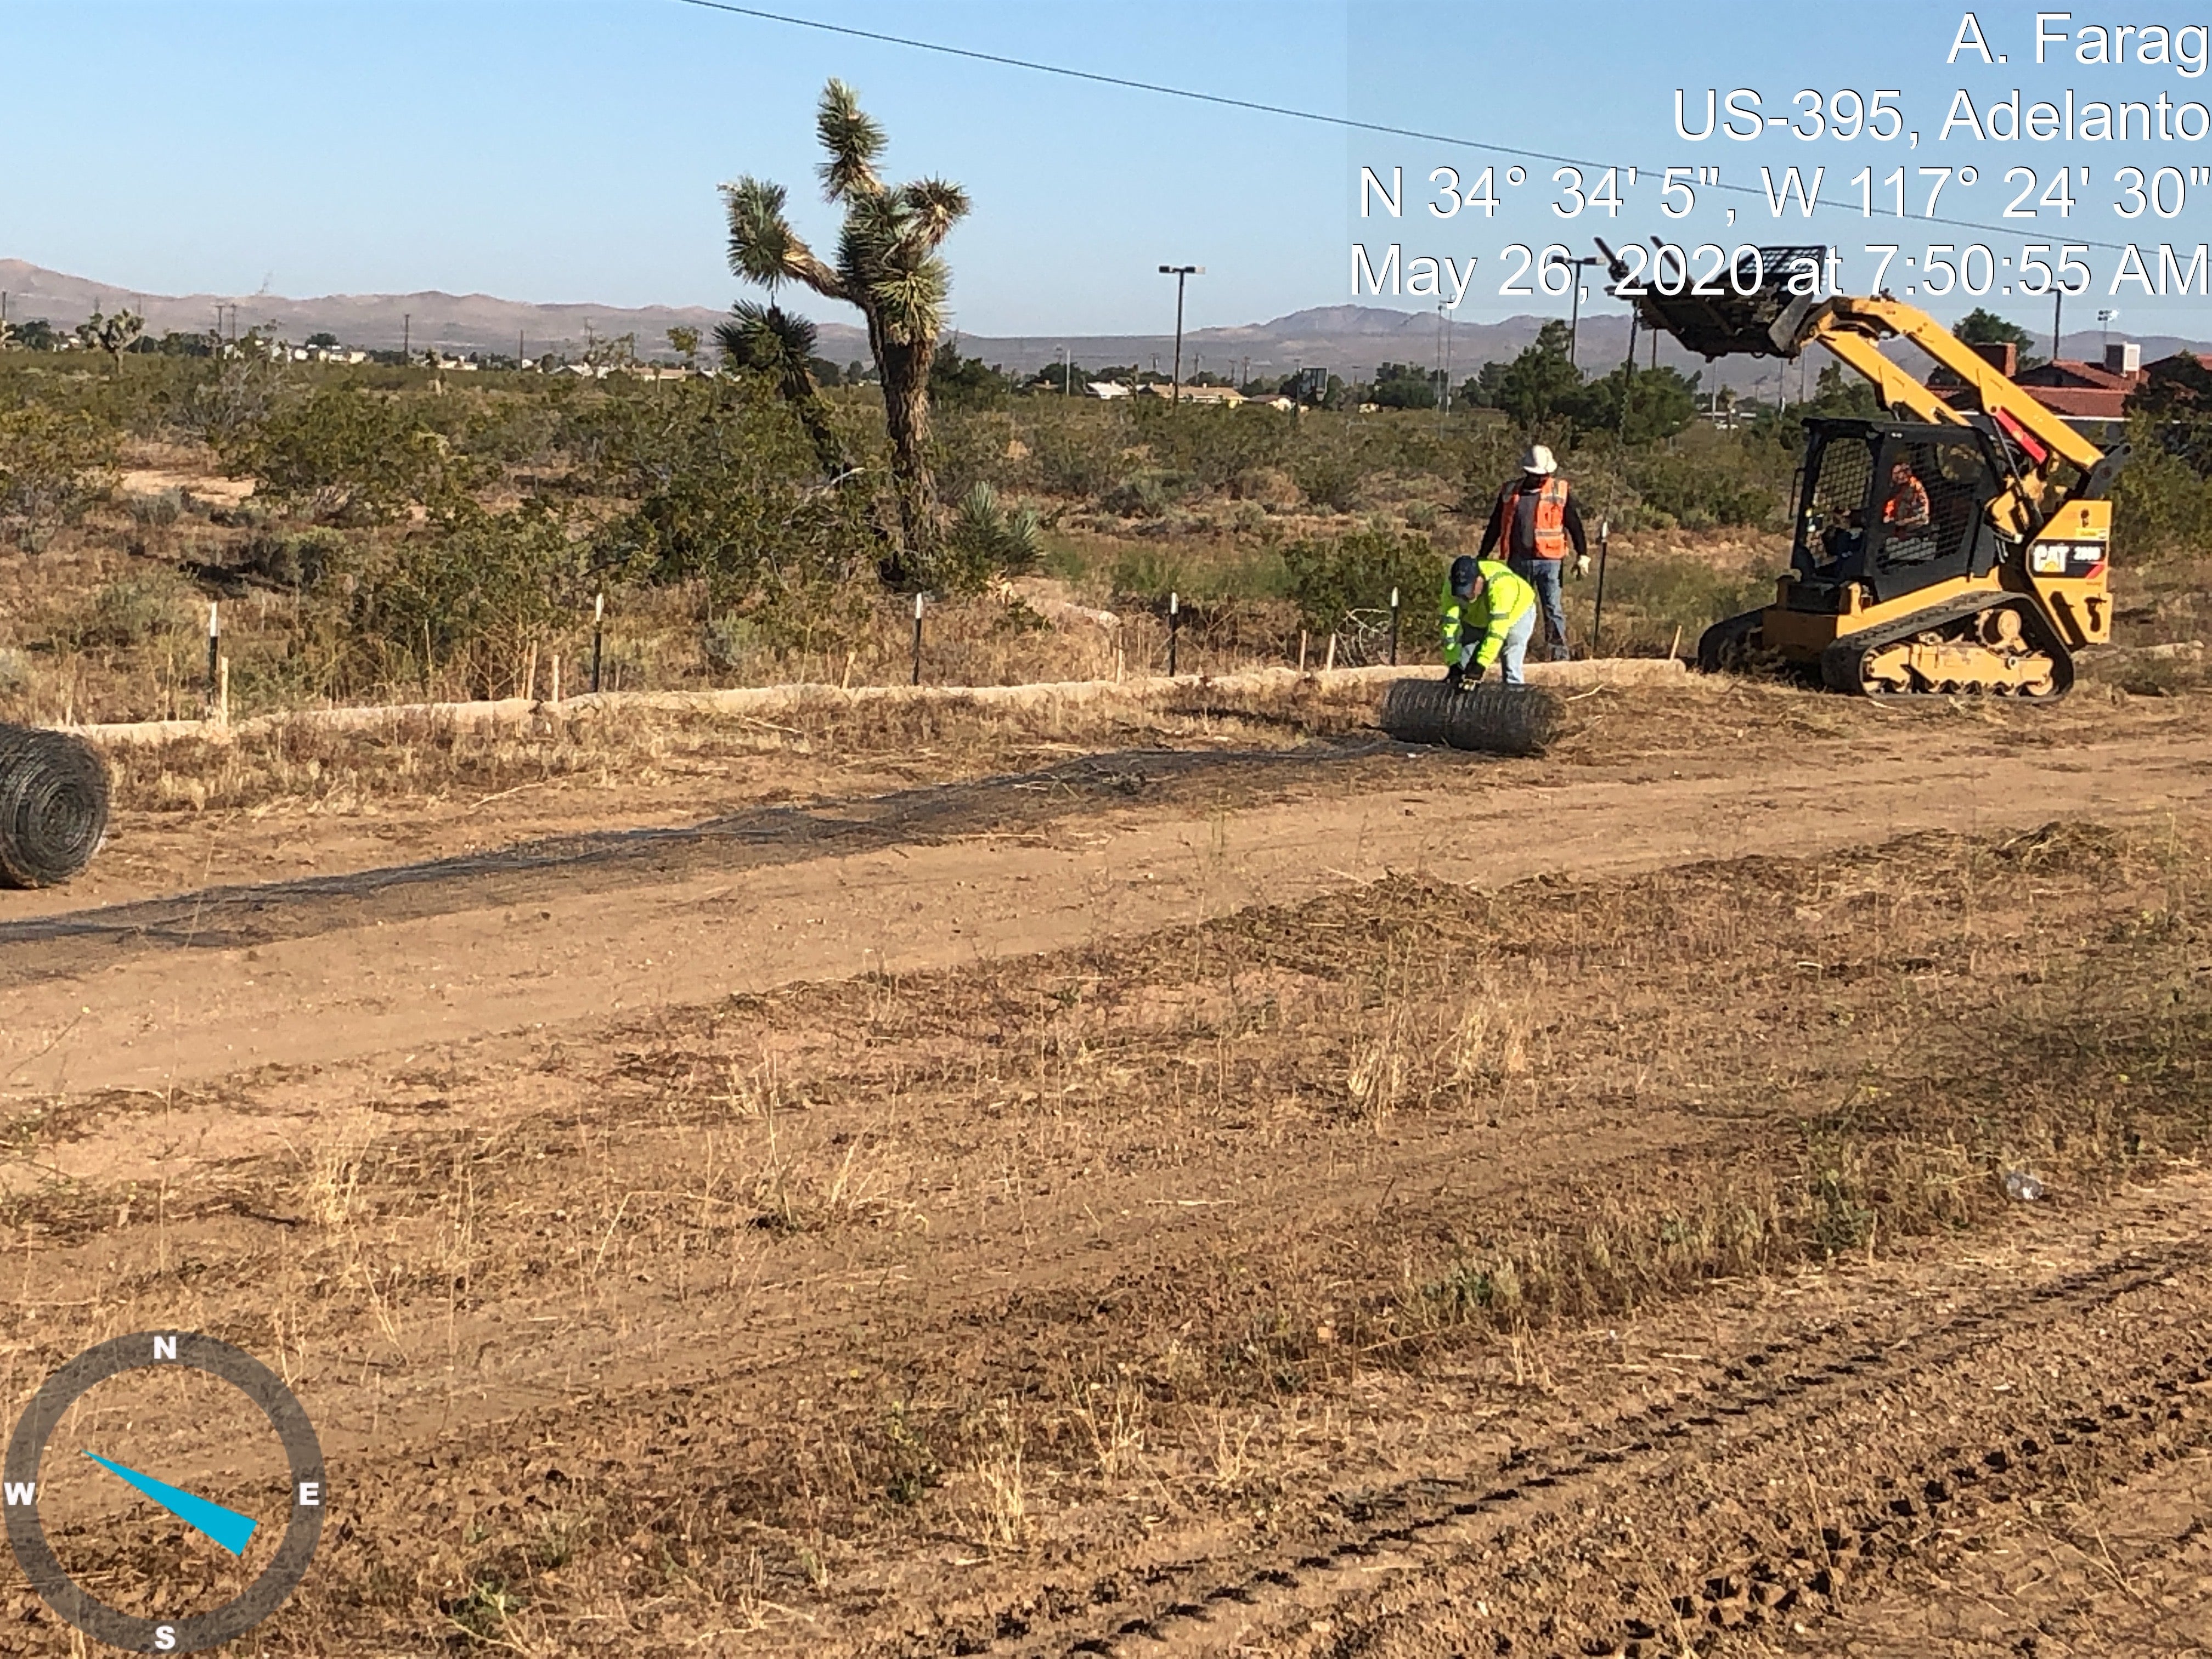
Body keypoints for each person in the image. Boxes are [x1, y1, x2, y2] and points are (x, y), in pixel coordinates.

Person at [1477, 444, 1587, 662]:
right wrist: (1482, 556)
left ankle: (1558, 656)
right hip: (1518, 561)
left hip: (1550, 562)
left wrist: (1582, 554)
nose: (1541, 478)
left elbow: (1574, 524)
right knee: (1515, 610)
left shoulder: (1559, 491)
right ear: (1527, 472)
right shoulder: (1510, 492)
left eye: (1544, 474)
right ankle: (1514, 655)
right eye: (1538, 475)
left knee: (1552, 609)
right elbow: (1495, 526)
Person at [1441, 554, 1537, 688]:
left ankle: (1515, 696)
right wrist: (1453, 663)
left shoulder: (1502, 585)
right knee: (1463, 664)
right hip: (1477, 618)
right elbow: (1450, 628)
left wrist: (1480, 665)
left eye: (1469, 591)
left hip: (1516, 614)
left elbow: (1497, 633)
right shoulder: (1451, 587)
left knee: (1510, 659)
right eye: (1461, 593)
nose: (1466, 596)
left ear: (1479, 580)